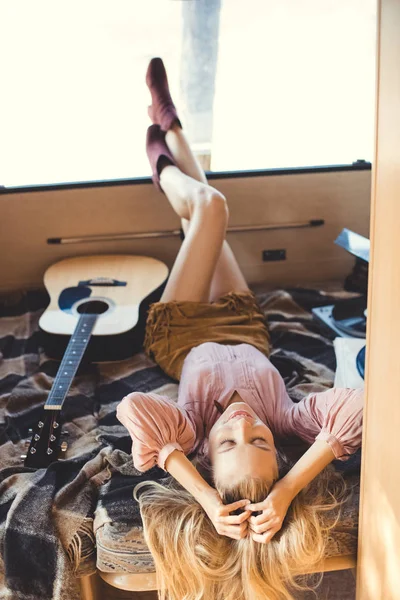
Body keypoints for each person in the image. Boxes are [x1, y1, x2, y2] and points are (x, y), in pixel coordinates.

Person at [116, 57, 363, 600]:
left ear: (207, 451)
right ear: (279, 449)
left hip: (182, 330)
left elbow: (132, 410)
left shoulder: (188, 429)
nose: (244, 421)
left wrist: (204, 496)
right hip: (246, 325)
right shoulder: (288, 418)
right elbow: (361, 408)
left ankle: (160, 153)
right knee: (203, 212)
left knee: (209, 207)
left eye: (230, 440)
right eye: (260, 440)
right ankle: (170, 126)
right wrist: (291, 489)